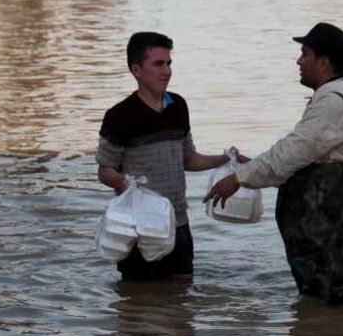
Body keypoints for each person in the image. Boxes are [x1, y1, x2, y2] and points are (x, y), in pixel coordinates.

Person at [205, 23, 343, 304]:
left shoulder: (332, 104)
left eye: (305, 53)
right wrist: (255, 164)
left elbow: (292, 152)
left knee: (323, 303)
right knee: (330, 301)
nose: (299, 60)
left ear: (323, 61)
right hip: (332, 231)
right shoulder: (340, 98)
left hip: (325, 235)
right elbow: (304, 153)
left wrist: (238, 178)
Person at [97, 32, 246, 281]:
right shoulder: (119, 116)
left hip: (179, 225)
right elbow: (105, 171)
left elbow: (188, 159)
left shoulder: (178, 106)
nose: (166, 71)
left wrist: (225, 159)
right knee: (138, 306)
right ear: (136, 69)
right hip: (139, 229)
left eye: (169, 63)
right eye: (158, 64)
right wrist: (125, 183)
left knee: (180, 308)